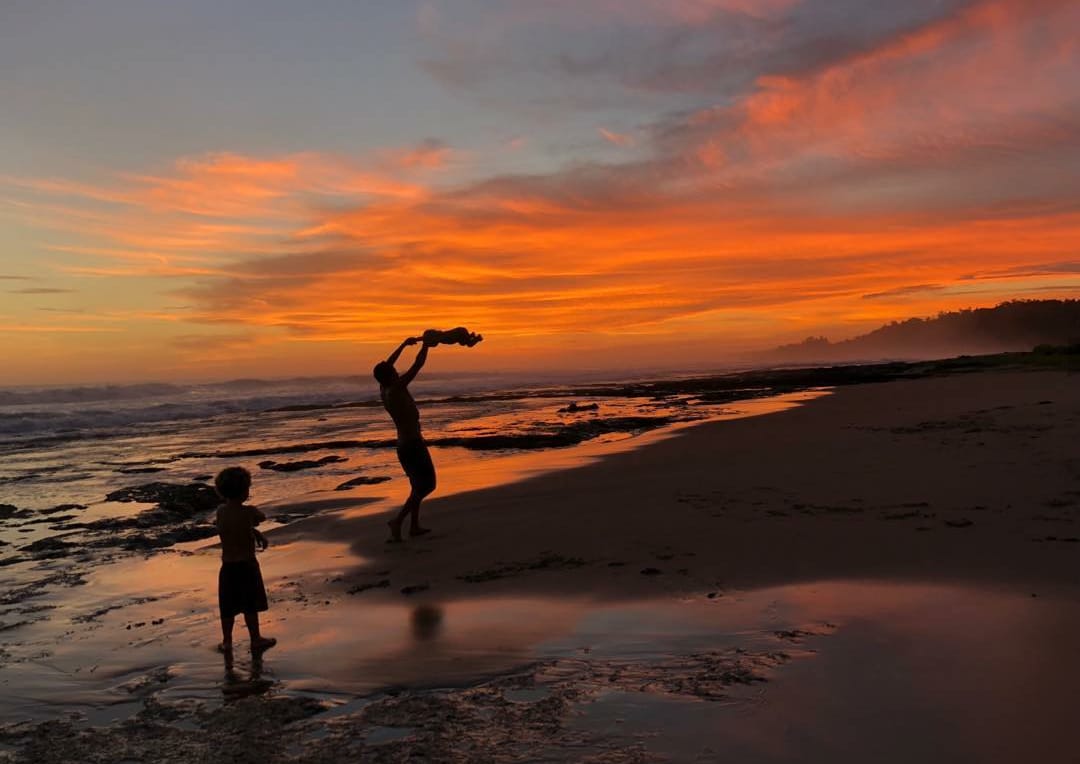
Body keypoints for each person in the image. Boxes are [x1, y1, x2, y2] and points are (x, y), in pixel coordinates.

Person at [374, 335, 439, 542]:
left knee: (416, 486)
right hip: (412, 446)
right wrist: (426, 346)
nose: (396, 370)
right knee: (428, 486)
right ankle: (398, 520)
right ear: (390, 376)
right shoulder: (397, 388)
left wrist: (402, 345)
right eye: (394, 371)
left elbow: (387, 365)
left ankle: (414, 526)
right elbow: (417, 365)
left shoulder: (384, 388)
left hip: (405, 445)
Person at [214, 466, 275, 667]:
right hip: (247, 565)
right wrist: (255, 528)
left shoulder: (221, 512)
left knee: (228, 607)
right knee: (250, 604)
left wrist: (254, 533)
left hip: (228, 567)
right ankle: (255, 638)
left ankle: (227, 641)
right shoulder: (249, 512)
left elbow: (231, 528)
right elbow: (260, 518)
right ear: (244, 491)